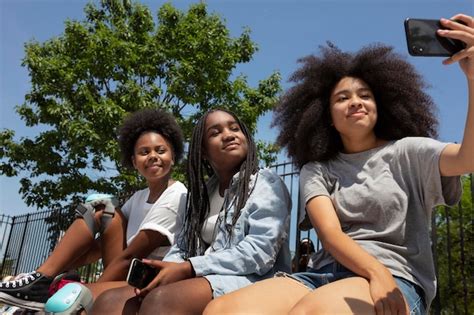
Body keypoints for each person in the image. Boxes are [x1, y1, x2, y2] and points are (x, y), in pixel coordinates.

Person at [204, 14, 473, 315]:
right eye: (342, 98)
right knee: (220, 310)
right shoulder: (317, 169)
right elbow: (330, 235)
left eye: (365, 96)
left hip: (394, 276)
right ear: (326, 118)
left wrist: (473, 77)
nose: (355, 102)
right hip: (323, 275)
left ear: (380, 107)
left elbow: (467, 158)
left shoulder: (409, 151)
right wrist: (374, 272)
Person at [91, 108, 292, 314]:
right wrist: (166, 270)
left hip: (254, 279)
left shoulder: (266, 182)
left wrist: (190, 267)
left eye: (235, 128)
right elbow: (183, 248)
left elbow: (260, 253)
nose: (229, 135)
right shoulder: (200, 196)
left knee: (161, 300)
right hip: (202, 277)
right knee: (111, 301)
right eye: (215, 133)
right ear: (203, 151)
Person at [0, 108, 187, 311]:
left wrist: (89, 290)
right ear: (134, 161)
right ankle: (39, 279)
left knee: (70, 297)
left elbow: (128, 259)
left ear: (173, 156)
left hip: (146, 278)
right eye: (144, 152)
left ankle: (41, 287)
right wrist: (60, 270)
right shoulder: (138, 197)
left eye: (160, 151)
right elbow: (100, 246)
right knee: (104, 210)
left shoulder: (176, 196)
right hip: (125, 269)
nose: (152, 156)